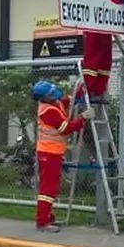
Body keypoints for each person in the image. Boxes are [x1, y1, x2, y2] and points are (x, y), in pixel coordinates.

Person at [32, 80, 92, 233]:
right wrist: (83, 118)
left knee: (51, 186)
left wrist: (81, 87)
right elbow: (66, 129)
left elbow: (69, 101)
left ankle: (48, 218)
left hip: (54, 151)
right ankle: (42, 222)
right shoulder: (48, 111)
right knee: (48, 188)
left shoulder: (55, 103)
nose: (56, 94)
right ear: (45, 97)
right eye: (52, 93)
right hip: (48, 152)